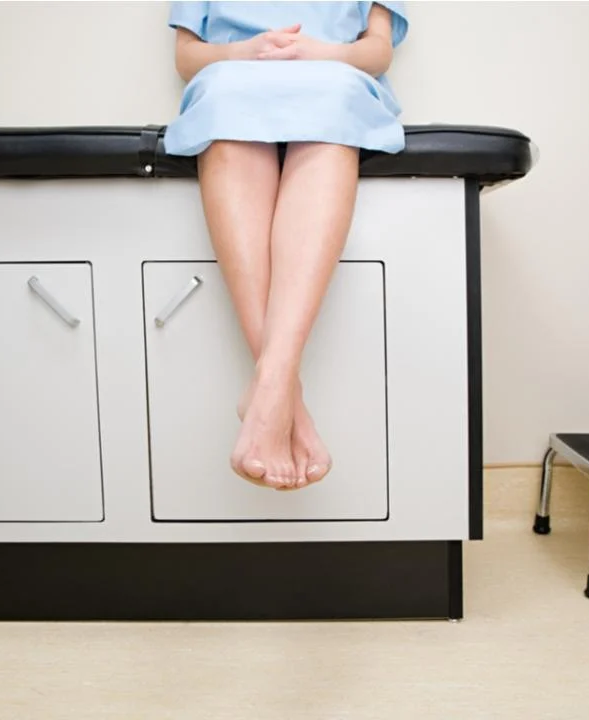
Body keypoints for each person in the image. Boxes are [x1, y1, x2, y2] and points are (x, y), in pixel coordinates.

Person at [166, 1, 408, 492]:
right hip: (234, 78)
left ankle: (269, 389)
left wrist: (319, 52)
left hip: (334, 77)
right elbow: (188, 56)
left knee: (335, 93)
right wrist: (243, 51)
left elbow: (378, 51)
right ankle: (285, 399)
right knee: (224, 93)